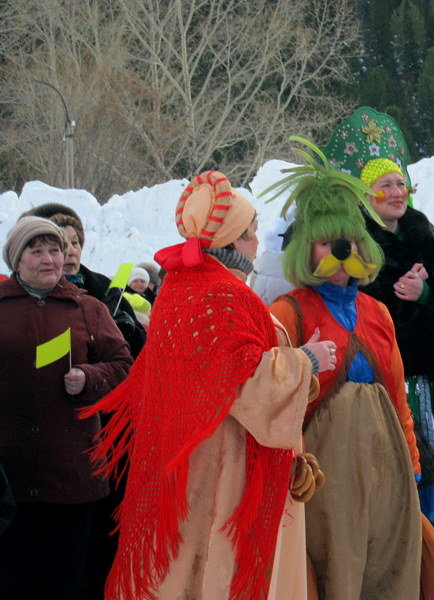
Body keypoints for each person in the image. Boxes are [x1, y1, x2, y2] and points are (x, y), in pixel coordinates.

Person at [81, 171, 333, 600]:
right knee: (217, 567)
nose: (258, 242)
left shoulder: (182, 286)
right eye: (252, 233)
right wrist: (307, 360)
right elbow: (244, 381)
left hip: (190, 456)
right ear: (234, 241)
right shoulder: (221, 294)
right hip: (225, 463)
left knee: (186, 563)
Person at [267, 139, 434, 599]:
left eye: (348, 241)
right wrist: (304, 363)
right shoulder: (289, 311)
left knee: (392, 563)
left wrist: (410, 461)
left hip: (387, 462)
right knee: (337, 564)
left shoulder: (377, 312)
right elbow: (271, 398)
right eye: (327, 242)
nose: (340, 252)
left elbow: (395, 395)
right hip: (326, 473)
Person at [324, 107, 434, 588]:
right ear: (365, 194)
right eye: (384, 186)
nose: (396, 194)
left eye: (400, 184)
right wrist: (403, 297)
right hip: (386, 375)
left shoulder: (419, 231)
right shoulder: (352, 239)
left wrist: (427, 295)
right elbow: (356, 307)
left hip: (430, 372)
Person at [0, 216, 133, 599]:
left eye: (55, 249)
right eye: (36, 250)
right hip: (10, 478)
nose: (49, 259)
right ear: (17, 259)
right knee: (13, 579)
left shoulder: (88, 309)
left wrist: (90, 378)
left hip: (71, 477)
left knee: (66, 581)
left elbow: (124, 366)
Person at [26, 203, 146, 358]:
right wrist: (84, 333)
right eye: (61, 245)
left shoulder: (103, 286)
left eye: (75, 242)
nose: (71, 251)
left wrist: (127, 332)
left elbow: (140, 353)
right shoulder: (30, 292)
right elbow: (31, 359)